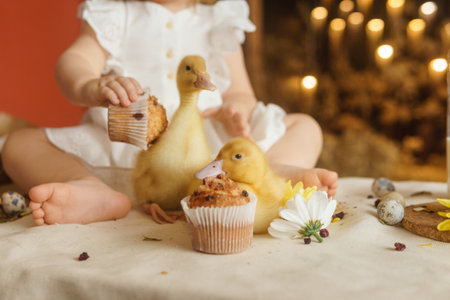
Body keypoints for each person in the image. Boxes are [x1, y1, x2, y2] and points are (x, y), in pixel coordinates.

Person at [1, 0, 338, 226]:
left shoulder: (220, 18)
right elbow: (74, 62)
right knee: (17, 144)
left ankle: (267, 174)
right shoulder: (117, 12)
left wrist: (238, 111)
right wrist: (91, 86)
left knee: (305, 126)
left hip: (211, 155)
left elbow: (239, 90)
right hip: (123, 149)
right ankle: (92, 189)